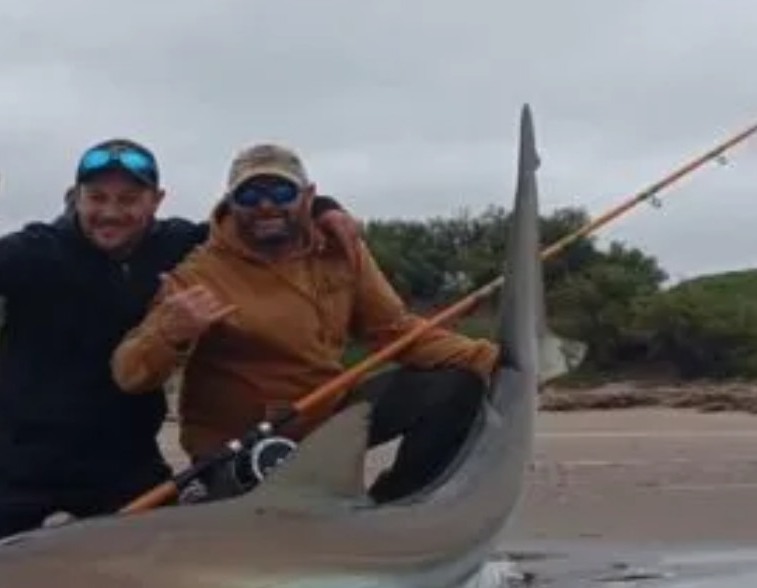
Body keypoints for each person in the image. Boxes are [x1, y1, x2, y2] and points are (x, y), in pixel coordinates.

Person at [0, 138, 363, 566]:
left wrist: (322, 209)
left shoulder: (178, 245)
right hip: (14, 463)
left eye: (128, 200)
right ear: (76, 197)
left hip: (121, 463)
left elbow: (251, 225)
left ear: (156, 200)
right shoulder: (37, 250)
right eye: (97, 198)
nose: (111, 212)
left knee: (187, 578)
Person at [110, 143, 500, 504]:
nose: (265, 205)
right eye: (249, 195)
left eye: (281, 192)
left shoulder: (340, 249)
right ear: (230, 203)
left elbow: (396, 331)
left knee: (454, 384)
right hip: (244, 441)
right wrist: (170, 334)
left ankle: (396, 506)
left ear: (308, 196)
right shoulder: (198, 274)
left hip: (327, 416)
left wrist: (492, 360)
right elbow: (130, 373)